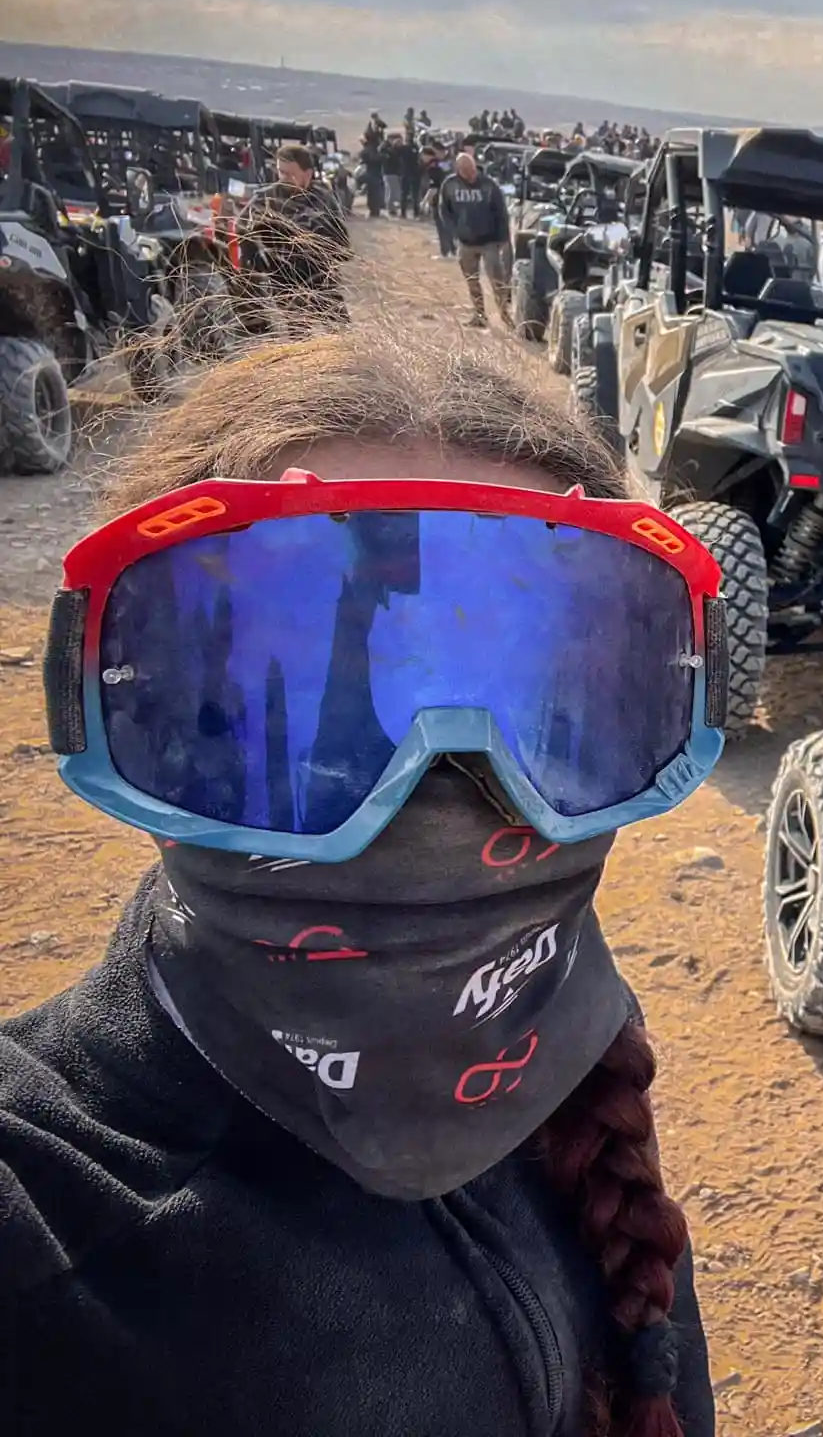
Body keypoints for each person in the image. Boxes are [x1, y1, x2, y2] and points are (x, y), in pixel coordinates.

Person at [0, 332, 720, 1436]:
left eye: (540, 712)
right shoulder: (49, 1212)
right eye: (324, 722)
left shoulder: (580, 1093)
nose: (441, 795)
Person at [236, 142, 352, 331]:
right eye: (281, 172)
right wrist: (256, 260)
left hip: (321, 275)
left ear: (308, 174)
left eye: (290, 174)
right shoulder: (265, 199)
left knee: (340, 329)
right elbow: (242, 229)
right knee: (299, 332)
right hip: (284, 277)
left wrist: (333, 249)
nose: (283, 178)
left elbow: (339, 236)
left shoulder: (323, 199)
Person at [441, 148, 514, 329]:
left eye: (473, 170)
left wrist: (504, 238)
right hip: (465, 242)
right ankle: (480, 315)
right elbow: (444, 211)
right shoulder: (450, 186)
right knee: (472, 281)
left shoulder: (489, 185)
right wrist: (454, 232)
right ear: (459, 170)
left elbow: (501, 212)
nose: (471, 174)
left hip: (489, 241)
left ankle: (505, 314)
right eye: (467, 172)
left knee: (497, 280)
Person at [421, 142, 455, 258]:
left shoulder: (433, 167)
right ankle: (453, 250)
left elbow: (434, 187)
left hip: (439, 199)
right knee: (448, 225)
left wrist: (425, 201)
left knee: (442, 226)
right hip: (449, 197)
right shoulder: (444, 164)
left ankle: (445, 252)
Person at [358, 126, 386, 219]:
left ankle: (374, 210)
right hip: (373, 173)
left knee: (373, 193)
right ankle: (374, 210)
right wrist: (382, 156)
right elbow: (374, 159)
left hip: (373, 173)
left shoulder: (370, 148)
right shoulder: (371, 149)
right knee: (375, 193)